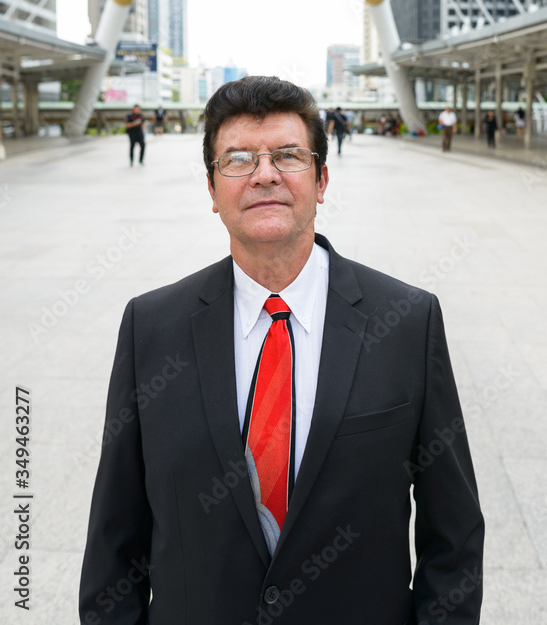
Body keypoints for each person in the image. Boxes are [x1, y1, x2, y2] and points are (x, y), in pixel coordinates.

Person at [79, 76, 484, 625]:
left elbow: (454, 535)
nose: (265, 174)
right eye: (238, 159)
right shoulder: (150, 328)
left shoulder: (408, 322)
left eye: (288, 156)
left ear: (321, 180)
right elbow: (115, 534)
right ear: (212, 189)